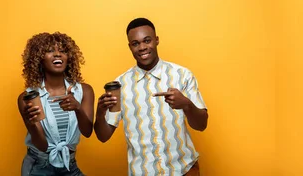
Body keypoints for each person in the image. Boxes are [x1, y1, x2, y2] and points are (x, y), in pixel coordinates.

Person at [94, 18, 208, 175]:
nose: (142, 47)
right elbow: (103, 136)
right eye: (135, 43)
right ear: (130, 47)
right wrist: (100, 113)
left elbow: (201, 125)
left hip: (184, 170)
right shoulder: (120, 85)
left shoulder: (182, 75)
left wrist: (187, 104)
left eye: (147, 40)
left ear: (157, 40)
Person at [18, 32, 95, 175]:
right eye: (50, 51)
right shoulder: (28, 98)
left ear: (69, 58)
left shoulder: (84, 91)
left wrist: (77, 108)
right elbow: (42, 145)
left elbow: (87, 132)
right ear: (39, 59)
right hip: (38, 166)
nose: (58, 54)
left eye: (63, 51)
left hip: (69, 164)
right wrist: (31, 123)